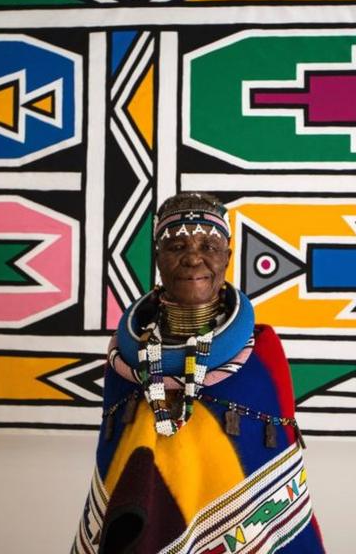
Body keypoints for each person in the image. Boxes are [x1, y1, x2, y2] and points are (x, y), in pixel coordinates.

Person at [72, 193, 325, 554]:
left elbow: (271, 469)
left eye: (209, 244)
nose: (193, 257)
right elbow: (120, 466)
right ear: (157, 259)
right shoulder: (128, 360)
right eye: (176, 246)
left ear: (227, 258)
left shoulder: (263, 356)